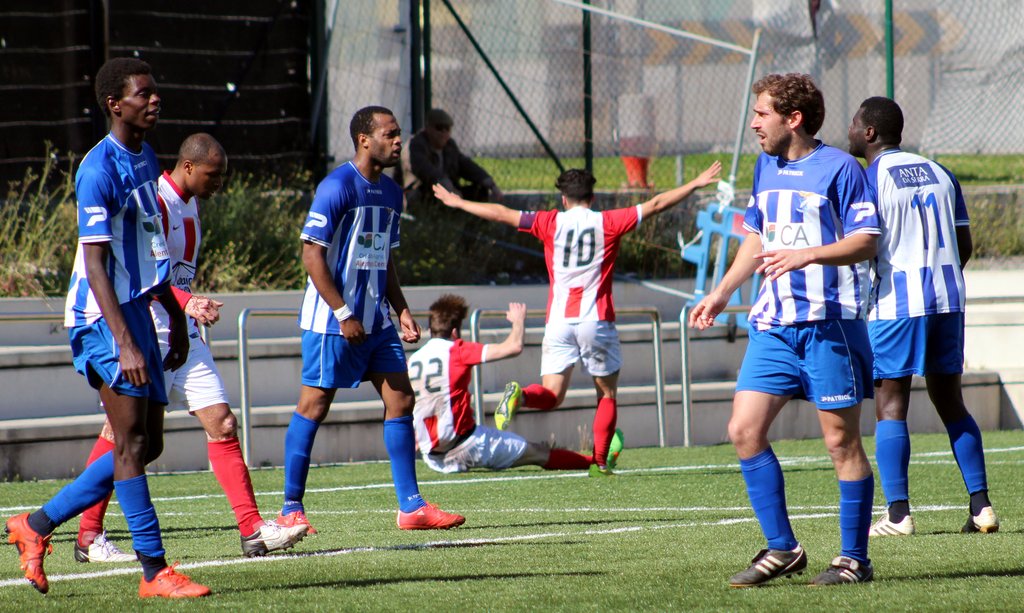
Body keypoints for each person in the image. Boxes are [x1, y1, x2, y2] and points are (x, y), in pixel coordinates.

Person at [4, 58, 210, 598]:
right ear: (115, 104)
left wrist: (176, 318)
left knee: (149, 443)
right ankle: (154, 571)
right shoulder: (97, 170)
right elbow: (95, 265)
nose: (154, 99)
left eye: (155, 91)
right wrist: (124, 342)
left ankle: (36, 525)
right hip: (102, 317)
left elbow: (150, 248)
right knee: (130, 445)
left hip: (139, 310)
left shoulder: (147, 157)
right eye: (143, 93)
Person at [72, 133, 308, 563]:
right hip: (147, 331)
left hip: (182, 331)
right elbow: (144, 274)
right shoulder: (156, 201)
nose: (218, 183)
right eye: (213, 175)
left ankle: (252, 530)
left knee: (223, 423)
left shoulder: (190, 203)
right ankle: (86, 534)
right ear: (188, 167)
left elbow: (173, 276)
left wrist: (186, 309)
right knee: (123, 436)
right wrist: (186, 302)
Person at [688, 73, 879, 587]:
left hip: (828, 326)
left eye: (762, 114)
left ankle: (854, 559)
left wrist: (807, 254)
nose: (753, 124)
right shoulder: (765, 165)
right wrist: (722, 291)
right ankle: (783, 548)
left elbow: (868, 239)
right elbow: (756, 236)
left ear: (793, 118)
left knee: (841, 443)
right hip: (772, 327)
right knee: (744, 431)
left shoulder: (840, 168)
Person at [434, 160, 721, 476]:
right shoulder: (608, 221)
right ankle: (600, 463)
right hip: (595, 320)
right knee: (607, 394)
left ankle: (521, 395)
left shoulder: (548, 221)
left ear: (564, 199)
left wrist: (459, 202)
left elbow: (502, 213)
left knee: (551, 395)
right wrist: (694, 183)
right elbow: (655, 204)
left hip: (558, 322)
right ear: (592, 198)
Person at [276, 105, 464, 533]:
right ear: (364, 139)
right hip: (332, 322)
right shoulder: (337, 186)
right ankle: (290, 508)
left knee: (401, 400)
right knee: (314, 406)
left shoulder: (392, 192)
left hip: (376, 322)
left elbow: (384, 259)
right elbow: (311, 254)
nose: (398, 142)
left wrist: (401, 309)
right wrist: (343, 312)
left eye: (399, 134)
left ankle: (411, 507)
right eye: (390, 134)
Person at [847, 96, 998, 537]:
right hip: (948, 300)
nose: (849, 130)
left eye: (854, 123)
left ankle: (898, 515)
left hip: (897, 303)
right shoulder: (940, 171)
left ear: (869, 132)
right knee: (950, 401)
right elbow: (964, 244)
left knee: (890, 405)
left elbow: (863, 245)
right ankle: (982, 506)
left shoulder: (869, 178)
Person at [410, 295, 621, 474]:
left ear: (430, 329)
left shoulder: (413, 360)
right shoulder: (457, 350)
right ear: (455, 332)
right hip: (468, 444)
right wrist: (518, 321)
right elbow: (513, 347)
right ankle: (596, 463)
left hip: (433, 457)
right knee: (539, 453)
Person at [407, 108, 502, 207]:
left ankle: (469, 216)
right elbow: (424, 169)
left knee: (480, 190)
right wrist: (447, 187)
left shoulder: (450, 146)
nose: (443, 132)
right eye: (439, 128)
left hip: (450, 192)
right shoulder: (416, 145)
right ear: (428, 128)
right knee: (416, 195)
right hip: (425, 191)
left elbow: (465, 165)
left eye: (447, 128)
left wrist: (490, 183)